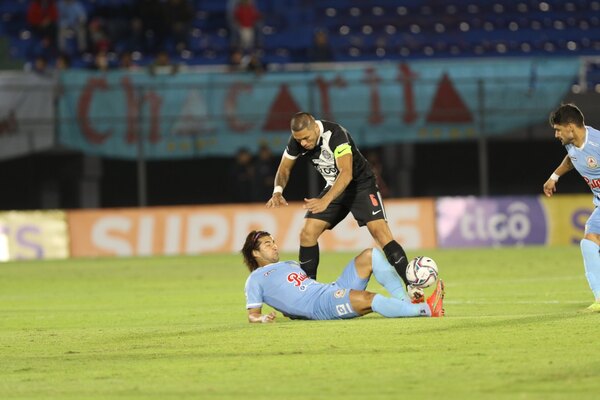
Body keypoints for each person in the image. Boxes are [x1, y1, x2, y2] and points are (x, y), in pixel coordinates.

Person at [266, 112, 413, 288]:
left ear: (314, 126)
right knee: (307, 233)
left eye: (305, 138)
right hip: (334, 186)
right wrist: (277, 191)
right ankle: (307, 291)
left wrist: (326, 200)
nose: (303, 143)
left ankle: (412, 286)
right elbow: (284, 169)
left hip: (361, 186)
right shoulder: (297, 140)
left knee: (380, 233)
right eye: (299, 140)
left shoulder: (336, 135)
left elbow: (346, 173)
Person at [242, 230, 444, 323]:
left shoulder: (289, 264)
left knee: (369, 255)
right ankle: (424, 309)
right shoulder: (256, 279)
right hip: (319, 306)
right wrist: (262, 319)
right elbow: (252, 314)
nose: (274, 246)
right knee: (368, 299)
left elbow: (296, 293)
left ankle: (404, 301)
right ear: (255, 253)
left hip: (327, 290)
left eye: (274, 242)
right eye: (268, 244)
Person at [543, 103, 600, 312]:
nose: (556, 134)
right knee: (589, 242)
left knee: (591, 241)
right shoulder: (571, 145)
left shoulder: (597, 142)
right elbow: (571, 160)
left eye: (558, 129)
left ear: (570, 127)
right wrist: (554, 177)